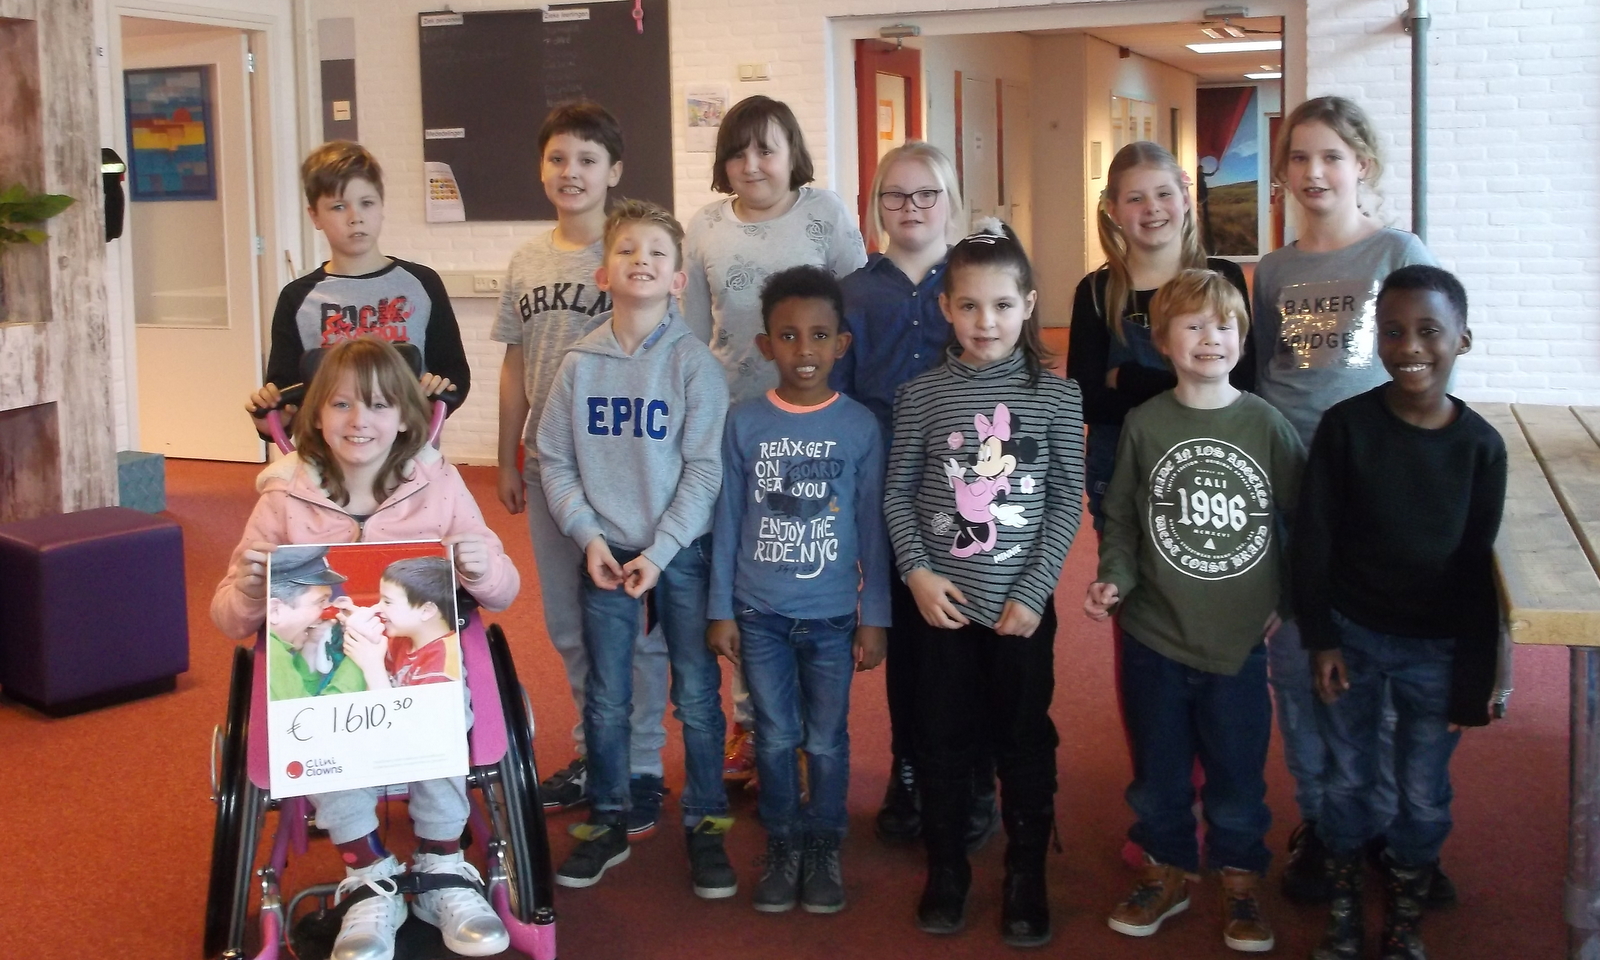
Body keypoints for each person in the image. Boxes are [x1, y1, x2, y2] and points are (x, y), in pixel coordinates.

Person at [212, 336, 520, 960]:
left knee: (436, 698)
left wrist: (481, 565)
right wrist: (248, 588)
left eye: (379, 405)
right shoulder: (283, 498)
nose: (360, 420)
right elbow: (228, 618)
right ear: (315, 415)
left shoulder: (440, 485)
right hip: (330, 668)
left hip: (420, 659)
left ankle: (441, 863)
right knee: (323, 709)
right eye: (342, 404)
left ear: (405, 417)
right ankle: (367, 873)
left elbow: (505, 590)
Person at [1250, 96, 1446, 904]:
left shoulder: (1397, 251)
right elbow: (1265, 373)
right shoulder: (1274, 269)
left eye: (1331, 155)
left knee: (1380, 674)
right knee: (1297, 669)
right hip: (1291, 496)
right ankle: (1326, 824)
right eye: (1299, 157)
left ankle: (1397, 836)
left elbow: (1429, 365)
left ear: (1361, 163)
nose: (1314, 172)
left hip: (1372, 497)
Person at [1085, 269, 1304, 954]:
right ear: (1161, 340)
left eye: (1226, 326)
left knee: (1238, 772)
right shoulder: (1146, 424)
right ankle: (1166, 869)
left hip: (1237, 642)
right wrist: (1114, 578)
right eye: (1195, 325)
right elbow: (1123, 519)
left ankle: (1240, 877)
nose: (1212, 338)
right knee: (1159, 772)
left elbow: (1303, 520)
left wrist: (1287, 597)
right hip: (1153, 633)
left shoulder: (1266, 425)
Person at [1292, 265, 1504, 960]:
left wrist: (1474, 677)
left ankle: (1405, 919)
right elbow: (1314, 539)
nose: (1409, 345)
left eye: (1428, 330)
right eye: (1392, 331)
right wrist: (1321, 638)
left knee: (1423, 793)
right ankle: (1345, 911)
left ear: (1462, 340)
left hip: (1436, 653)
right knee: (1346, 779)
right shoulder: (1346, 427)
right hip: (1350, 640)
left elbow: (1476, 565)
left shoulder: (1481, 448)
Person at [884, 219, 1082, 947]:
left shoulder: (1058, 397)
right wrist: (916, 572)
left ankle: (1027, 874)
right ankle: (947, 869)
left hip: (1020, 614)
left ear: (1028, 305)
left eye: (1001, 305)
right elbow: (898, 493)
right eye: (968, 305)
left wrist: (1034, 590)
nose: (985, 321)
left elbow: (1064, 501)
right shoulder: (920, 395)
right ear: (946, 307)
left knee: (1024, 738)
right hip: (944, 611)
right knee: (940, 738)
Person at [537, 200, 734, 897]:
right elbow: (554, 459)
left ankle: (708, 827)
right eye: (626, 250)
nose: (641, 260)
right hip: (607, 554)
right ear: (603, 274)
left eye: (657, 252)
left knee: (699, 697)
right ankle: (609, 821)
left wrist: (664, 548)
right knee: (606, 696)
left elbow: (705, 470)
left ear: (678, 280)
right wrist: (588, 536)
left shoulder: (694, 366)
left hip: (681, 556)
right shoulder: (578, 364)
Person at [491, 101, 670, 829]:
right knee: (569, 625)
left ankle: (644, 765)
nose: (572, 172)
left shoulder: (636, 253)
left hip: (626, 473)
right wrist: (508, 454)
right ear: (542, 168)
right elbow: (514, 363)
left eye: (588, 160)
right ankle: (597, 752)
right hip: (549, 470)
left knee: (636, 625)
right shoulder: (527, 261)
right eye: (558, 159)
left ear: (614, 171)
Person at [683, 95, 868, 779]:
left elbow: (857, 315)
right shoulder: (704, 226)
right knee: (746, 569)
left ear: (793, 153)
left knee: (809, 560)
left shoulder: (825, 214)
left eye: (766, 149)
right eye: (738, 152)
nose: (752, 164)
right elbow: (692, 337)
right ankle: (751, 723)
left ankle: (811, 730)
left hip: (816, 425)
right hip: (737, 425)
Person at [707, 265, 890, 914]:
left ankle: (824, 842)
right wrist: (720, 608)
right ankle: (783, 840)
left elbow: (872, 529)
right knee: (776, 735)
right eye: (787, 336)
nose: (803, 349)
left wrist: (875, 616)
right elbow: (728, 520)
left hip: (833, 617)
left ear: (842, 344)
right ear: (766, 346)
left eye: (819, 335)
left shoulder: (860, 427)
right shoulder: (743, 422)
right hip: (759, 614)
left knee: (826, 738)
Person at [833, 141, 997, 850]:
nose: (911, 207)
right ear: (876, 205)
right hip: (886, 489)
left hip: (969, 486)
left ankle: (975, 773)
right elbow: (840, 399)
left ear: (950, 202)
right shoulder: (853, 292)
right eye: (895, 195)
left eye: (926, 193)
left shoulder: (976, 280)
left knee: (971, 631)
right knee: (907, 637)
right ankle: (909, 765)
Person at [1068, 140, 1253, 531]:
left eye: (1164, 194)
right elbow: (1086, 400)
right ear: (1113, 210)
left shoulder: (1223, 278)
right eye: (1135, 198)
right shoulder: (1097, 292)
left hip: (1211, 468)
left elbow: (1243, 382)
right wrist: (1190, 389)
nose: (1152, 207)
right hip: (1123, 470)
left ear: (1184, 199)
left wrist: (1129, 378)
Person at [248, 141, 468, 429]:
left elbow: (454, 375)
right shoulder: (297, 297)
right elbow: (284, 396)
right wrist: (268, 415)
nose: (355, 218)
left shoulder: (422, 284)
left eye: (367, 203)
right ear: (315, 216)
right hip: (327, 452)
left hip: (408, 449)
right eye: (339, 207)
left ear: (381, 206)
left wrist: (435, 394)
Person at [264, 547, 367, 701]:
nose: (328, 611)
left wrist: (312, 644)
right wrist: (360, 653)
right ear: (274, 611)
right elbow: (316, 714)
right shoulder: (273, 653)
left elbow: (302, 698)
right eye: (320, 602)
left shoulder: (271, 644)